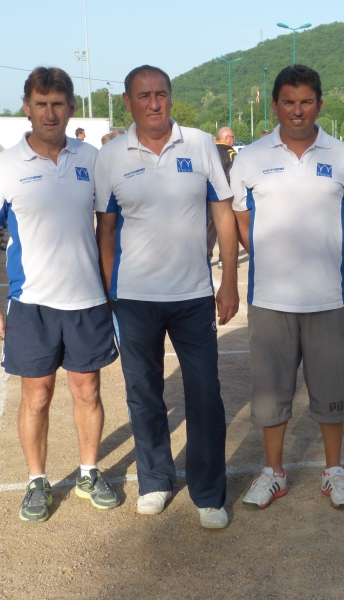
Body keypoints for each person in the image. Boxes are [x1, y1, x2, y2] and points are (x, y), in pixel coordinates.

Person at [95, 65, 239, 530]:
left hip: (193, 295)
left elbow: (223, 214)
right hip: (135, 299)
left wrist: (229, 280)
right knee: (144, 394)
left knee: (205, 395)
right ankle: (155, 480)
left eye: (161, 94)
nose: (154, 103)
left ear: (171, 97)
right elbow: (106, 231)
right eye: (144, 96)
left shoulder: (198, 144)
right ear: (128, 102)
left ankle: (209, 493)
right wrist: (112, 292)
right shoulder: (111, 156)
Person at [0, 67, 120, 523]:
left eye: (58, 104)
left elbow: (108, 226)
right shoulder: (3, 167)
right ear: (27, 107)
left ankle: (89, 473)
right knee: (37, 395)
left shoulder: (92, 159)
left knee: (87, 390)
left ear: (71, 108)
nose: (50, 113)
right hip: (31, 303)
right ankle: (36, 480)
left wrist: (113, 289)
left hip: (87, 299)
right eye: (41, 104)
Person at [230, 65, 344, 511]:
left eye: (306, 101)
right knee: (271, 393)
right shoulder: (249, 158)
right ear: (275, 106)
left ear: (319, 105)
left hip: (328, 298)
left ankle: (334, 471)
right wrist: (274, 257)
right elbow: (241, 220)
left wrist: (321, 253)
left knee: (331, 390)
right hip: (270, 300)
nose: (297, 110)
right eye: (288, 102)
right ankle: (274, 473)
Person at [208, 127, 238, 265]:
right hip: (226, 194)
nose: (234, 140)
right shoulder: (230, 152)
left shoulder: (209, 150)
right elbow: (234, 174)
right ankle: (223, 259)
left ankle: (207, 256)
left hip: (209, 193)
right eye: (232, 137)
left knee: (210, 226)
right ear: (226, 138)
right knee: (227, 226)